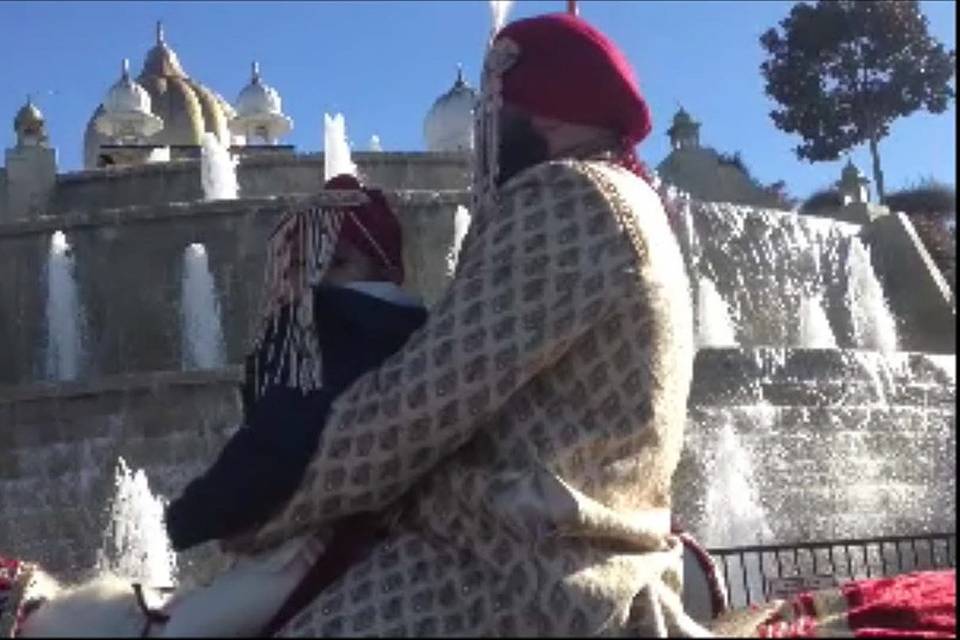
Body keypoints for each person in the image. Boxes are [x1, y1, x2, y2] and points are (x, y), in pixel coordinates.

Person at [223, 11, 703, 637]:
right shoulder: (631, 201)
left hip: (514, 574)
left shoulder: (564, 197)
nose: (484, 134)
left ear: (549, 107)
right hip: (577, 562)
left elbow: (422, 402)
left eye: (493, 111)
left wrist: (265, 497)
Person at [154, 174, 428, 637]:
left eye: (329, 261)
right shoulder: (414, 330)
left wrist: (187, 520)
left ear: (374, 265)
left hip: (317, 545)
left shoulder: (331, 331)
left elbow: (278, 444)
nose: (309, 276)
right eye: (300, 263)